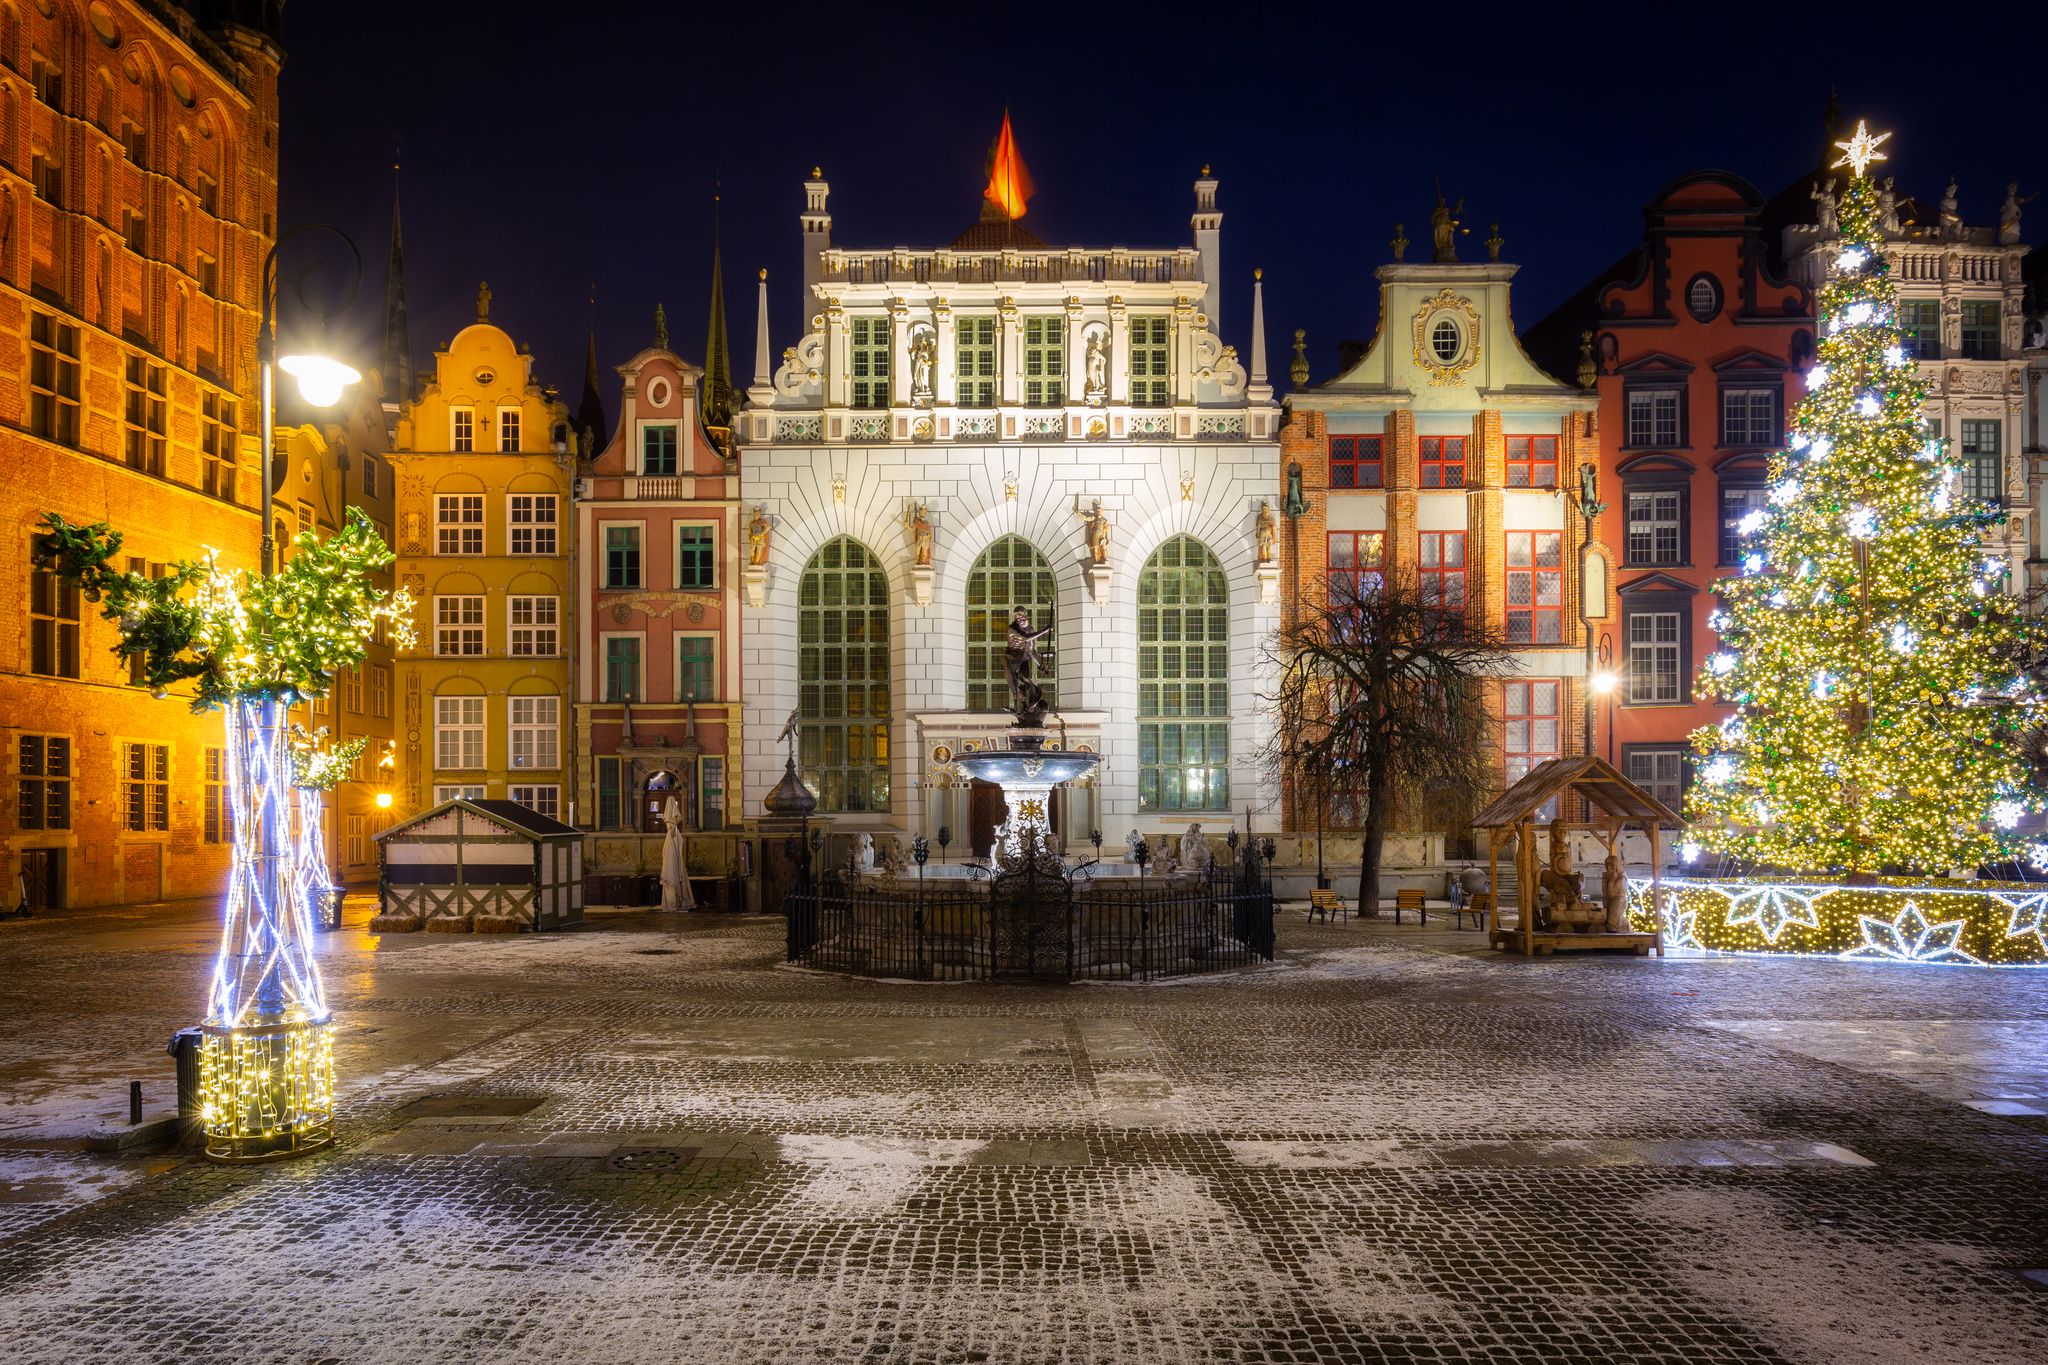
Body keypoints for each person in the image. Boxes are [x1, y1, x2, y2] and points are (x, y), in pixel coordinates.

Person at [1004, 606, 1053, 715]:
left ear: (1025, 615)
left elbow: (1031, 651)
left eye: (1020, 615)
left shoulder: (1030, 629)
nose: (1018, 617)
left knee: (1026, 678)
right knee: (1016, 691)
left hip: (1023, 658)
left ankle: (1035, 697)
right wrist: (1045, 630)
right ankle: (1019, 712)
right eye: (1016, 615)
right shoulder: (1012, 628)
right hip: (1011, 661)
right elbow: (1026, 638)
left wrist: (1041, 665)